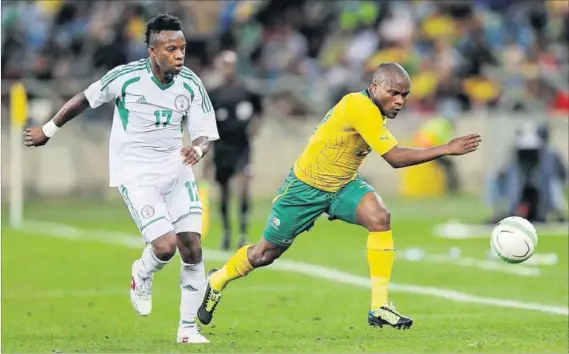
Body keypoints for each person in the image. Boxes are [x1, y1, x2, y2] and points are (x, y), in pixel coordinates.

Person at [196, 62, 481, 329]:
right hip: (304, 189)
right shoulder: (359, 106)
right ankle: (218, 279)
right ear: (374, 87)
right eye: (393, 93)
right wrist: (445, 148)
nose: (399, 101)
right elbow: (394, 158)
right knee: (263, 255)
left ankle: (379, 307)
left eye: (404, 95)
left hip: (343, 185)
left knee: (380, 218)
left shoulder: (372, 108)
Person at [24, 14, 219, 344]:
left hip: (175, 170)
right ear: (153, 51)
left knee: (193, 247)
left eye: (183, 48)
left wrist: (197, 152)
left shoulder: (191, 83)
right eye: (172, 48)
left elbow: (204, 135)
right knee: (165, 246)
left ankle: (187, 329)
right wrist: (48, 129)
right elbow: (85, 98)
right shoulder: (126, 77)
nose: (180, 55)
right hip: (136, 174)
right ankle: (142, 272)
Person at [206, 50, 263, 250]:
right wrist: (206, 157)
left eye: (230, 64)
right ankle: (227, 232)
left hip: (242, 146)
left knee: (243, 185)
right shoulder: (214, 94)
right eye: (224, 64)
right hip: (222, 147)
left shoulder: (246, 91)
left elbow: (259, 111)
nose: (227, 68)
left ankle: (243, 232)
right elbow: (208, 125)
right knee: (223, 191)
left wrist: (255, 126)